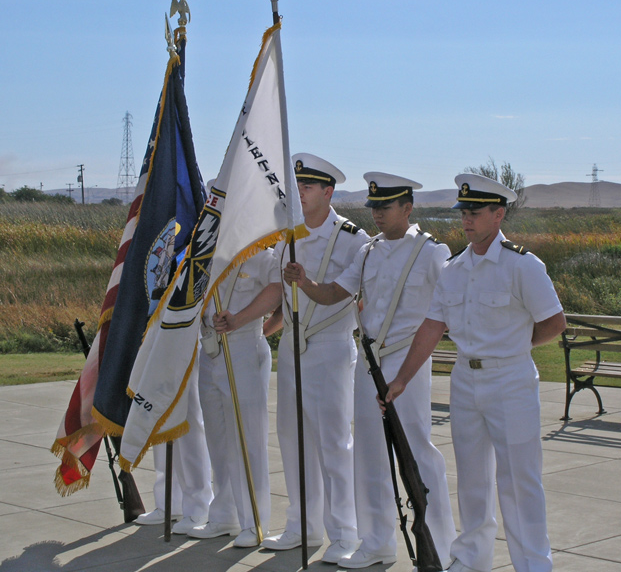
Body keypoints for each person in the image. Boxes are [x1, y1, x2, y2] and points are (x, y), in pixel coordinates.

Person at [384, 173, 566, 572]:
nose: (466, 219)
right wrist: (401, 379)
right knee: (472, 480)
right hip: (465, 380)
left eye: (475, 212)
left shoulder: (522, 265)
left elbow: (554, 323)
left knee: (520, 481)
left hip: (511, 380)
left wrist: (514, 346)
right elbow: (432, 326)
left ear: (498, 214)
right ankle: (472, 560)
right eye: (464, 212)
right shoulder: (453, 268)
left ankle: (534, 564)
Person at [284, 172, 456, 569]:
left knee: (417, 454)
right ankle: (376, 541)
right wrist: (305, 282)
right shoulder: (369, 252)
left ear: (407, 208)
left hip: (407, 361)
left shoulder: (431, 252)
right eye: (374, 207)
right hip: (371, 364)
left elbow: (445, 310)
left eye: (385, 206)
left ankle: (442, 547)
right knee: (370, 454)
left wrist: (406, 374)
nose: (377, 214)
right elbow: (334, 294)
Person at [220, 153, 369, 564]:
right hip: (292, 349)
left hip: (331, 348)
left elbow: (348, 295)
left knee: (334, 442)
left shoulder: (352, 239)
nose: (300, 193)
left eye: (308, 186)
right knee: (293, 438)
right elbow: (284, 300)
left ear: (328, 191)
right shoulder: (287, 235)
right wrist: (261, 327)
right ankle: (303, 524)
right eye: (297, 185)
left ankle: (344, 532)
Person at [187, 250, 279, 548]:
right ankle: (224, 514)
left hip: (242, 344)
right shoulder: (207, 248)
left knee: (247, 439)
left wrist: (241, 318)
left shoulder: (259, 251)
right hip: (209, 347)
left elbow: (277, 290)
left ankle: (254, 521)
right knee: (218, 437)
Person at [135, 369, 212, 534]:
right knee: (161, 422)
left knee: (189, 424)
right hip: (160, 348)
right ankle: (169, 503)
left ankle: (199, 506)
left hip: (187, 350)